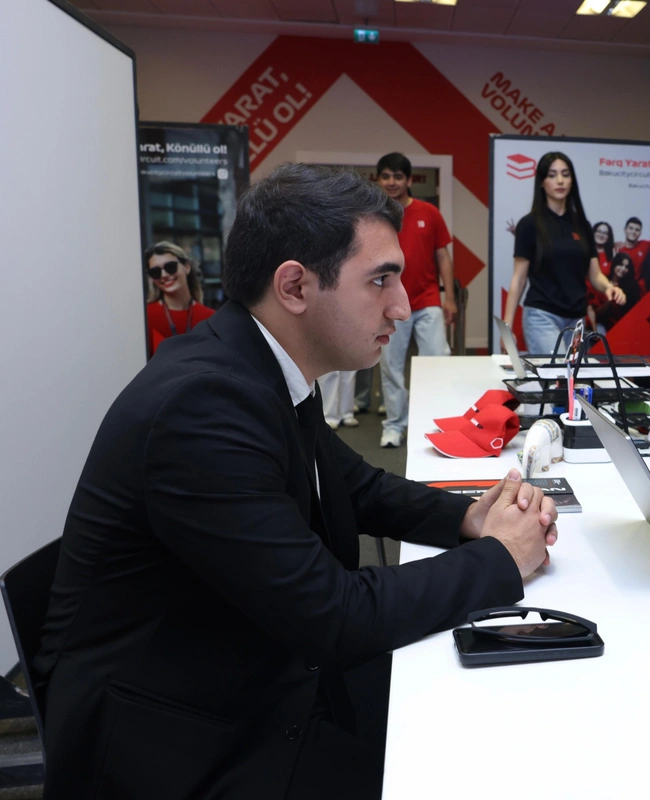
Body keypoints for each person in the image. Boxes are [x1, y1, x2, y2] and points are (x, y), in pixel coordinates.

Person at [34, 164, 559, 800]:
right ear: (294, 287)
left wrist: (466, 517)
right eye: (380, 280)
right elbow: (332, 614)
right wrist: (500, 558)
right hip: (175, 736)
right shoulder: (202, 406)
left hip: (238, 660)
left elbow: (355, 485)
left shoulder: (257, 364)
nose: (401, 305)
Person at [504, 152, 625, 354]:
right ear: (542, 182)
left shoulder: (582, 225)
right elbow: (519, 279)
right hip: (542, 316)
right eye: (552, 175)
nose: (560, 180)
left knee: (574, 374)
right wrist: (507, 326)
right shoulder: (529, 224)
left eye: (565, 174)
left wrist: (609, 288)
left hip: (576, 320)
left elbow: (595, 274)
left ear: (572, 181)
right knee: (559, 370)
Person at [374, 152, 455, 448]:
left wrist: (450, 298)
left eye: (397, 176)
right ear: (378, 180)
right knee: (391, 367)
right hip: (388, 304)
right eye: (386, 176)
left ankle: (436, 423)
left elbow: (443, 257)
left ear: (409, 180)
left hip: (427, 300)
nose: (391, 182)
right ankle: (395, 426)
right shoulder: (374, 215)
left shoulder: (429, 213)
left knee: (437, 363)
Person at [144, 241, 215, 356]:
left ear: (187, 267)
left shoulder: (210, 318)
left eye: (170, 267)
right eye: (155, 272)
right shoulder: (145, 317)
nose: (164, 275)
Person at [597, 252, 641, 329]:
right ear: (614, 264)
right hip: (602, 324)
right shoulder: (603, 282)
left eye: (626, 267)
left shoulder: (632, 287)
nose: (623, 269)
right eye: (620, 264)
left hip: (623, 326)